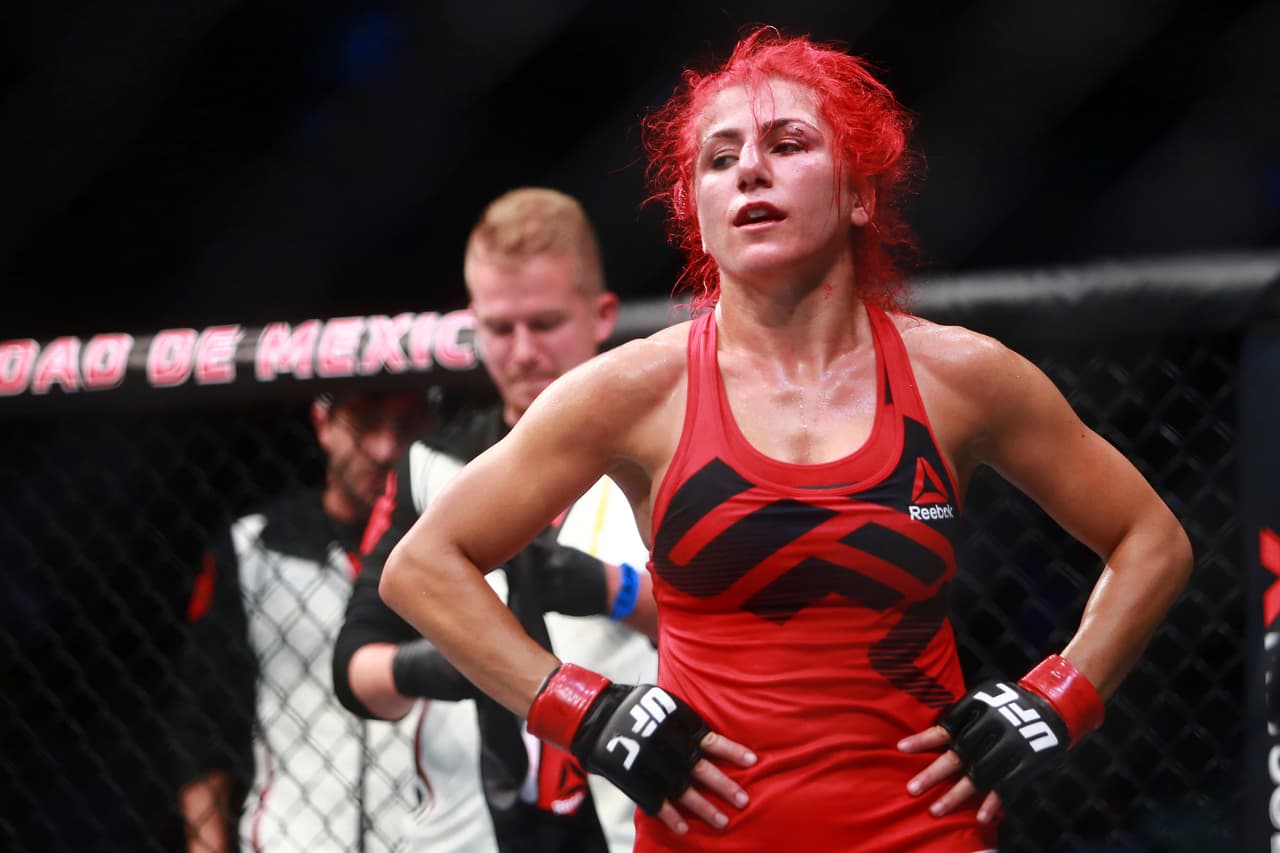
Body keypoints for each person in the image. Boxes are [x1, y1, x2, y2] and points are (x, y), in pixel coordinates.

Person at [374, 26, 1195, 853]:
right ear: (697, 208)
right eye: (719, 158)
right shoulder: (636, 388)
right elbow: (423, 566)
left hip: (925, 834)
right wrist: (582, 709)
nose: (749, 172)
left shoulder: (960, 377)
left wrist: (1058, 698)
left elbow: (1151, 538)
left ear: (859, 194)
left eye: (787, 143)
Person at [333, 187, 660, 853]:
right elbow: (354, 666)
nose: (521, 351)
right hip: (474, 834)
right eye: (499, 328)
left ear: (600, 315)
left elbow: (733, 625)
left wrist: (613, 589)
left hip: (640, 815)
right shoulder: (430, 466)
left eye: (543, 324)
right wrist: (437, 664)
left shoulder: (661, 446)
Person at [175, 389, 436, 852]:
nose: (384, 449)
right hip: (292, 839)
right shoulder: (254, 547)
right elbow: (203, 722)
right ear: (324, 423)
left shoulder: (462, 548)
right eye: (366, 424)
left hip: (435, 839)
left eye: (406, 425)